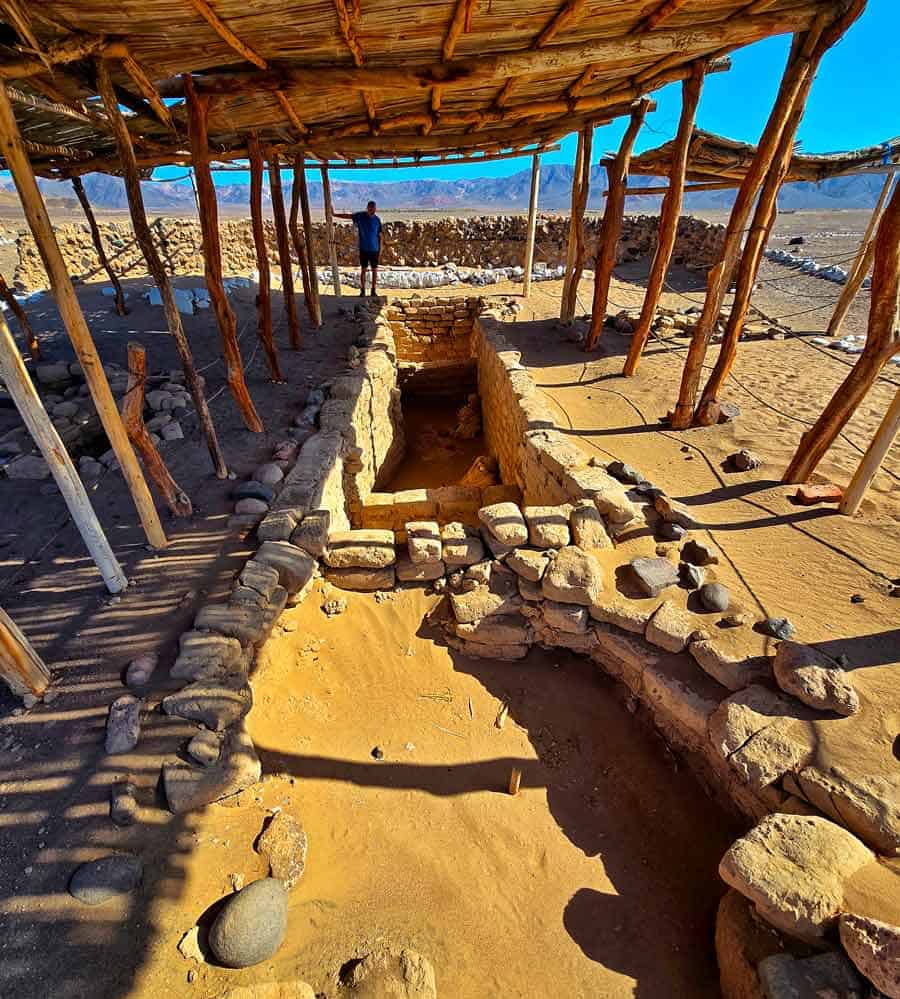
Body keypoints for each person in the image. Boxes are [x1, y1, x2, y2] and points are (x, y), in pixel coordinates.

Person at [335, 200, 382, 297]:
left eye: (373, 209)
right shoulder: (360, 216)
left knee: (374, 270)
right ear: (367, 208)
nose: (372, 211)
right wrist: (334, 214)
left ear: (375, 209)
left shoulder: (377, 220)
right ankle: (363, 290)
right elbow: (348, 216)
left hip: (374, 249)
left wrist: (380, 249)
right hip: (364, 248)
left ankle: (373, 290)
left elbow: (380, 236)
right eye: (370, 208)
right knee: (363, 270)